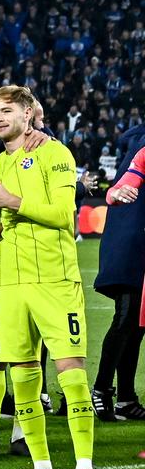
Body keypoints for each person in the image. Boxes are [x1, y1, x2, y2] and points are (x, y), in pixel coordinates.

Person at [0, 86, 100, 469]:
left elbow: (64, 215)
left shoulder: (55, 154)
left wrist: (12, 200)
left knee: (72, 376)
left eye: (7, 111)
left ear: (29, 113)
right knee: (23, 378)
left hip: (55, 282)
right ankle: (42, 468)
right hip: (10, 285)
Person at [94, 127, 145, 421]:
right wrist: (114, 194)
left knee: (136, 324)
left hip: (131, 241)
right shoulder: (141, 148)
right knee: (126, 318)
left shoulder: (135, 143)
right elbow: (120, 189)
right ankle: (101, 389)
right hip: (130, 244)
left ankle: (126, 397)